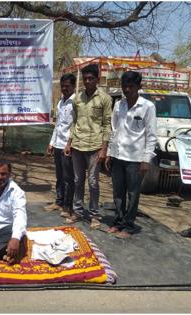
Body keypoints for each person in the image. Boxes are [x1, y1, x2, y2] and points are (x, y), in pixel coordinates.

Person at [105, 71, 157, 238]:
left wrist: (146, 160)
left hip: (135, 159)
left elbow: (151, 135)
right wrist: (109, 153)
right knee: (118, 193)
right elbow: (114, 131)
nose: (127, 89)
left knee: (133, 193)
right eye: (124, 86)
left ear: (139, 87)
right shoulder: (119, 105)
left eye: (131, 86)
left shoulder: (148, 107)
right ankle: (119, 221)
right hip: (118, 156)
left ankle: (129, 225)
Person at [64, 64, 112, 229]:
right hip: (78, 145)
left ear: (97, 79)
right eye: (85, 78)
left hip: (95, 147)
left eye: (91, 78)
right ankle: (77, 212)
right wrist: (69, 143)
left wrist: (104, 148)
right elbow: (74, 122)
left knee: (93, 182)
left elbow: (107, 125)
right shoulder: (77, 98)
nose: (88, 81)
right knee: (78, 181)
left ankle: (94, 215)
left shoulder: (105, 99)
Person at [45, 73, 79, 223]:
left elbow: (75, 125)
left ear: (73, 86)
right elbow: (58, 125)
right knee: (59, 176)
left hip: (68, 146)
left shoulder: (76, 102)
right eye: (62, 86)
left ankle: (67, 206)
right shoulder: (60, 103)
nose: (64, 88)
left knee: (68, 178)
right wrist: (51, 143)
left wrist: (69, 144)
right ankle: (59, 202)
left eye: (67, 86)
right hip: (58, 144)